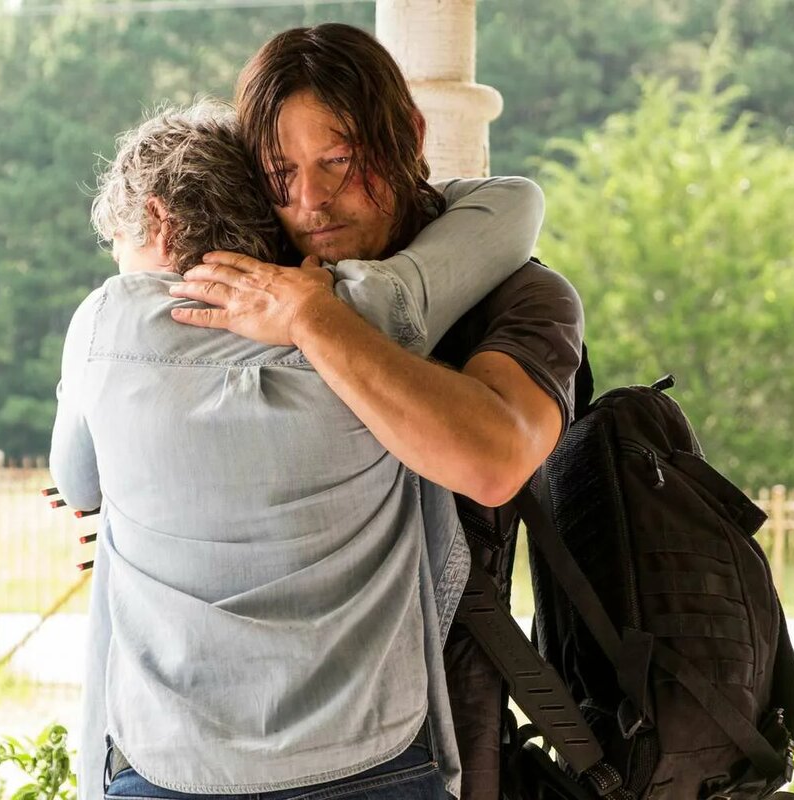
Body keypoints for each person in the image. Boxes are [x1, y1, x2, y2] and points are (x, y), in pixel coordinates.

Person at [50, 100, 547, 799]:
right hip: (373, 753)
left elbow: (77, 485)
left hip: (174, 764)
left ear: (157, 219)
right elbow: (514, 204)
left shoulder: (107, 318)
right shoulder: (360, 312)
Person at [169, 24, 585, 800]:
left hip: (426, 740)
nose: (311, 200)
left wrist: (315, 321)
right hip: (221, 740)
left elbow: (492, 459)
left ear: (411, 137)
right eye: (280, 173)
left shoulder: (524, 297)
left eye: (338, 160)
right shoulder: (253, 282)